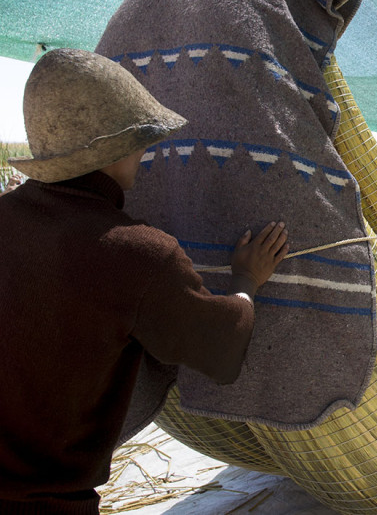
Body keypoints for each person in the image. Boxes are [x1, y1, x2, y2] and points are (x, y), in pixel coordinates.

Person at [0, 49, 289, 514]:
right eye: (143, 139)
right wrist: (246, 279)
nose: (146, 151)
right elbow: (220, 351)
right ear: (121, 148)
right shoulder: (137, 255)